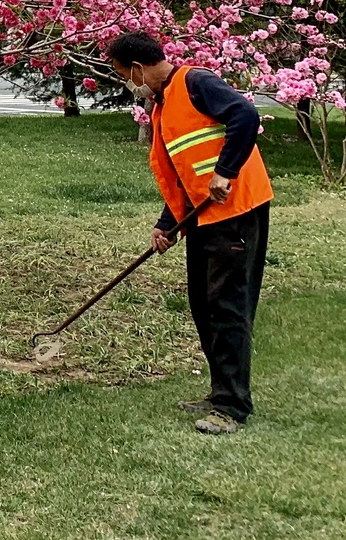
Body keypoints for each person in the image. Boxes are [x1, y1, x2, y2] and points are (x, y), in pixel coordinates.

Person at [106, 31, 274, 435]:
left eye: (123, 75)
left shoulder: (196, 83)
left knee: (227, 307)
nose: (126, 83)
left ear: (138, 68)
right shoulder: (163, 105)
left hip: (235, 211)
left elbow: (245, 116)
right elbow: (186, 170)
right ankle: (220, 394)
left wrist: (226, 172)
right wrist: (167, 223)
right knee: (203, 304)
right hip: (203, 216)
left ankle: (232, 407)